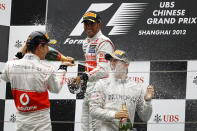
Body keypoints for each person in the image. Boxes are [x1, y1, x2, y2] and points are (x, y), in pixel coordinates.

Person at [0, 31, 74, 131]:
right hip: (41, 124)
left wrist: (20, 53)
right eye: (47, 46)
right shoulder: (47, 69)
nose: (48, 50)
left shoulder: (10, 65)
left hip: (21, 123)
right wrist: (63, 67)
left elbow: (4, 77)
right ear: (40, 47)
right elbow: (56, 89)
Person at [89, 50, 154, 131]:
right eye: (111, 60)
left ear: (126, 64)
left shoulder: (136, 87)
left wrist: (147, 102)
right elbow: (93, 111)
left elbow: (145, 117)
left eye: (115, 60)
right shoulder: (102, 83)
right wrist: (114, 114)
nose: (112, 62)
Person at [73, 11, 115, 131]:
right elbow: (90, 66)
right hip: (90, 88)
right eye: (86, 24)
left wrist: (82, 77)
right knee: (85, 125)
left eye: (91, 24)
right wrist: (83, 80)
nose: (88, 27)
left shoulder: (104, 42)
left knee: (97, 126)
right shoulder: (85, 42)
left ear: (99, 24)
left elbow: (103, 70)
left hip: (102, 88)